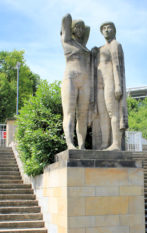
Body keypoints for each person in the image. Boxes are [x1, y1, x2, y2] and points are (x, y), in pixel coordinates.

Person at [96, 21, 128, 151]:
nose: (106, 30)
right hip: (100, 84)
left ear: (114, 30)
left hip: (111, 82)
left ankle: (116, 144)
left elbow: (117, 65)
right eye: (104, 28)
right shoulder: (101, 49)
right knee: (103, 115)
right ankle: (104, 143)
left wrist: (118, 85)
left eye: (109, 28)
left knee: (113, 112)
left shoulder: (116, 44)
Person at [60, 14, 90, 150]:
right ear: (71, 29)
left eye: (81, 28)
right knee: (69, 113)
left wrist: (82, 25)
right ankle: (70, 144)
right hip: (70, 78)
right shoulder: (66, 41)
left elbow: (88, 29)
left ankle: (82, 145)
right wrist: (72, 22)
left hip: (84, 81)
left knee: (82, 115)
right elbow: (66, 18)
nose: (80, 30)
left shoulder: (83, 46)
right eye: (77, 27)